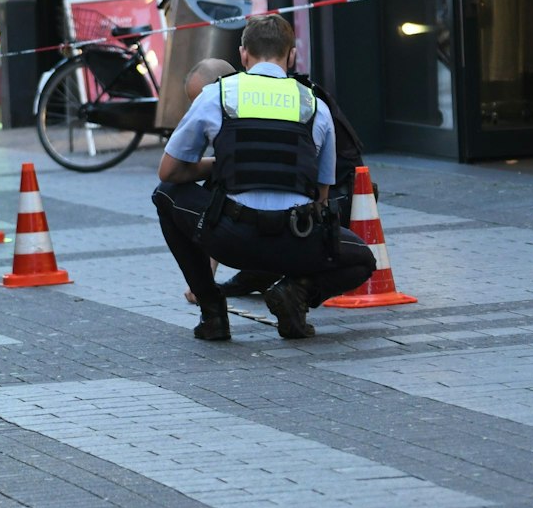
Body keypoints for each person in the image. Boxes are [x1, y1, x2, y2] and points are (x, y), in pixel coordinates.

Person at [153, 17, 375, 341]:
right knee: (363, 260)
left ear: (243, 55)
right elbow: (321, 196)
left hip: (231, 239)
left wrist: (221, 166)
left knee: (166, 194)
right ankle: (295, 293)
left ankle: (212, 310)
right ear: (292, 56)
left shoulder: (217, 95)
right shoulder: (314, 104)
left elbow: (169, 171)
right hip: (295, 242)